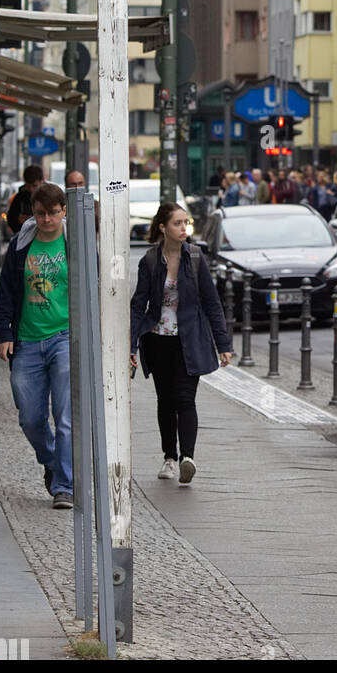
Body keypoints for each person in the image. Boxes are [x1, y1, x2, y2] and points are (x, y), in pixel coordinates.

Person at [129, 202, 232, 485]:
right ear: (163, 227)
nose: (183, 228)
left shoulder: (195, 258)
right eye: (177, 223)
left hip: (190, 339)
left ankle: (187, 457)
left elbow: (212, 302)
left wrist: (223, 344)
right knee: (166, 400)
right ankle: (169, 458)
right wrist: (131, 346)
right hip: (158, 340)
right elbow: (138, 306)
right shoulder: (149, 261)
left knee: (185, 399)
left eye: (185, 223)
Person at [0, 182, 73, 508]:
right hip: (26, 340)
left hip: (64, 337)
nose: (47, 220)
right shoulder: (21, 245)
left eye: (53, 213)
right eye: (40, 214)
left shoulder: (75, 244)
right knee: (29, 418)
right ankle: (53, 464)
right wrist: (4, 334)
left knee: (65, 416)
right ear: (33, 213)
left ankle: (65, 487)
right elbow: (7, 293)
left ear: (63, 211)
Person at [6, 165, 44, 235]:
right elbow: (11, 218)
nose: (31, 189)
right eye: (28, 186)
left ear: (42, 181)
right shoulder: (20, 197)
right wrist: (18, 220)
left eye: (34, 186)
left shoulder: (50, 195)